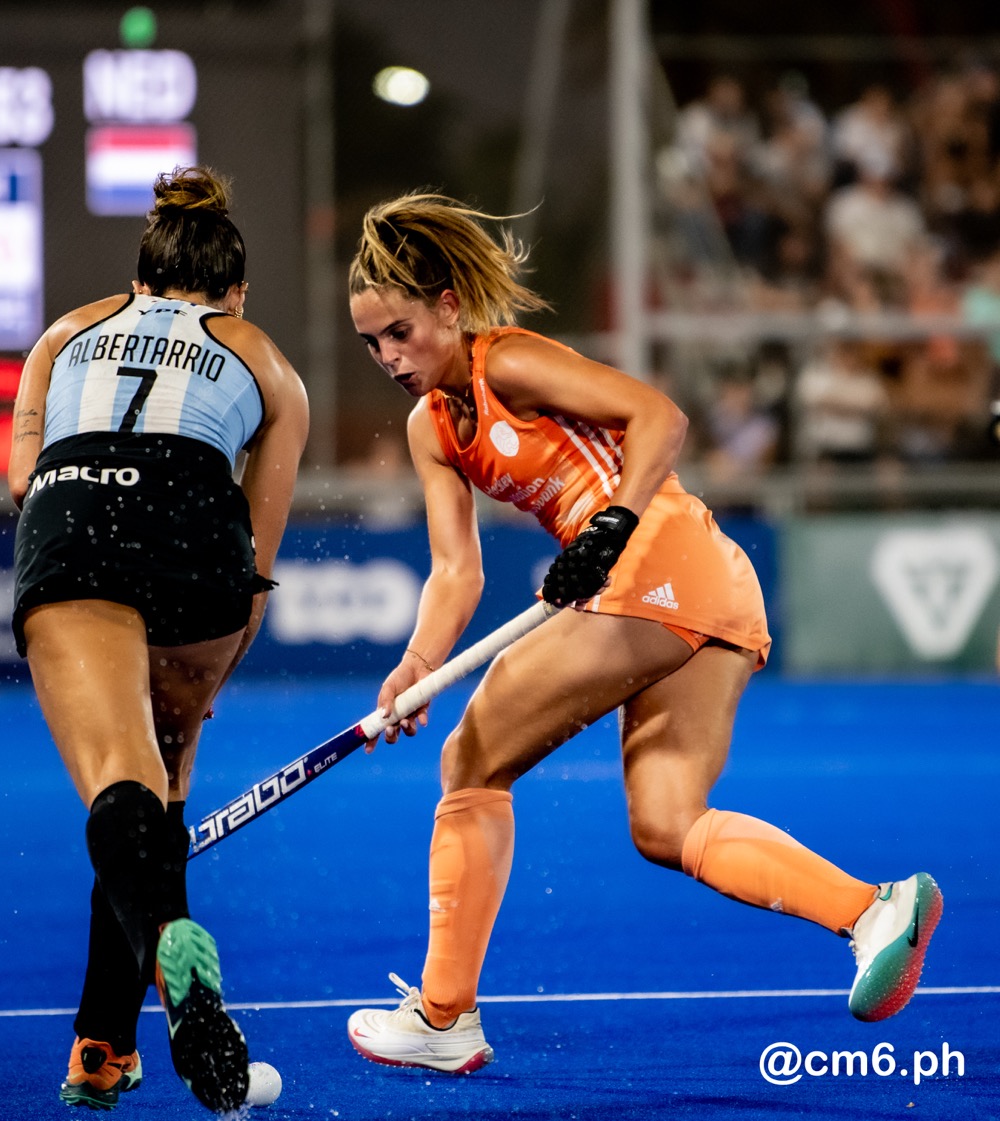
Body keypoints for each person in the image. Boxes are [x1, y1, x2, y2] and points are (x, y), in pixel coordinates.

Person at [341, 193, 941, 1075]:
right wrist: (418, 665)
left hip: (658, 559)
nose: (390, 357)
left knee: (471, 759)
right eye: (371, 343)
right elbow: (456, 570)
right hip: (704, 587)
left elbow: (659, 415)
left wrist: (612, 524)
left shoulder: (508, 360)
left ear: (449, 306)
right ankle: (873, 910)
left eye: (400, 331)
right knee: (667, 823)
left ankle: (443, 1013)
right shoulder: (430, 428)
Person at [8, 167, 309, 1110]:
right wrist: (210, 675)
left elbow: (21, 479)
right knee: (159, 785)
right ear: (237, 291)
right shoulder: (267, 361)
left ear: (138, 280)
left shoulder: (63, 333)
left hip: (76, 511)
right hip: (198, 541)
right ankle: (102, 1045)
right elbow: (256, 559)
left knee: (117, 777)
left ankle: (169, 946)